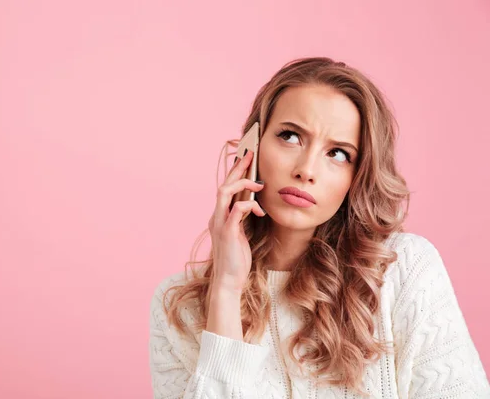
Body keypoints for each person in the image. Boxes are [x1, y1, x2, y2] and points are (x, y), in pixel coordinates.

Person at [148, 57, 490, 398]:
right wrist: (225, 289)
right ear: (251, 147)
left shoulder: (403, 270)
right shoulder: (178, 307)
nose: (306, 169)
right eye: (290, 136)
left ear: (358, 177)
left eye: (338, 154)